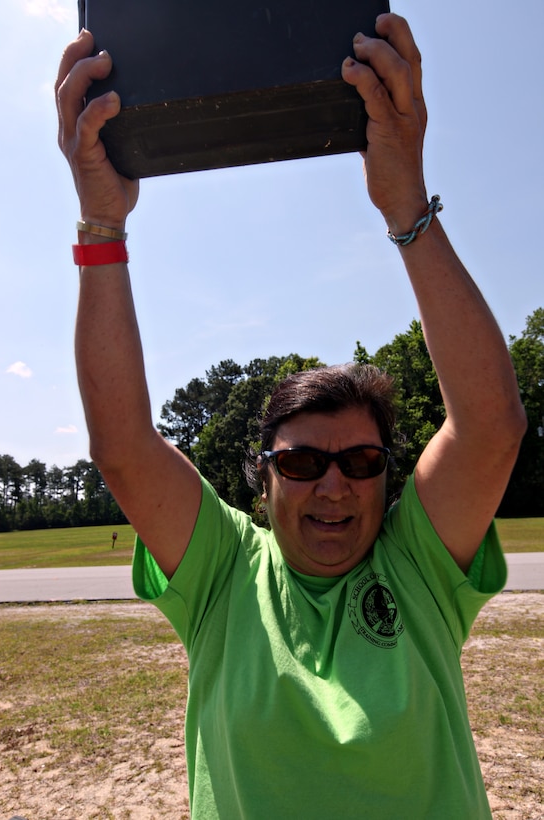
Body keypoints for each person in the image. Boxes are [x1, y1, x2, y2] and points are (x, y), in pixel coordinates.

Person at [55, 13, 526, 819]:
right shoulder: (226, 575)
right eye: (303, 462)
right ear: (263, 482)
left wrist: (406, 202)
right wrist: (103, 224)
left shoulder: (414, 569)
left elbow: (490, 427)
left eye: (363, 462)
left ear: (388, 477)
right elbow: (125, 450)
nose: (334, 486)